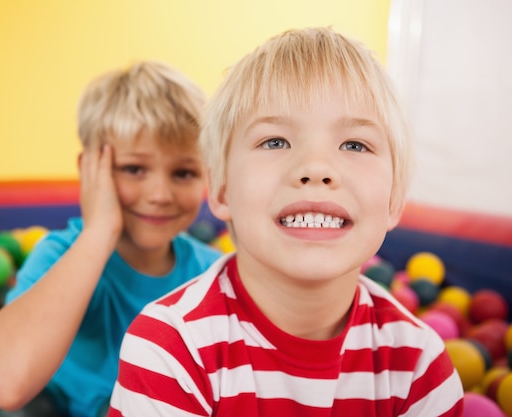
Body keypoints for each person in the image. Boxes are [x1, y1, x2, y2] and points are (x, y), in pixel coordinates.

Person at [107, 28, 464, 416]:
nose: (315, 168)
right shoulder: (170, 347)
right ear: (221, 190)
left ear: (395, 200)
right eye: (275, 141)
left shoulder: (419, 366)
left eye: (355, 144)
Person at [0, 61, 222, 417]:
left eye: (183, 172)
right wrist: (98, 232)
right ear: (90, 169)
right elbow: (5, 385)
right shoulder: (59, 254)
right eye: (134, 169)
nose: (159, 194)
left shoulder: (211, 273)